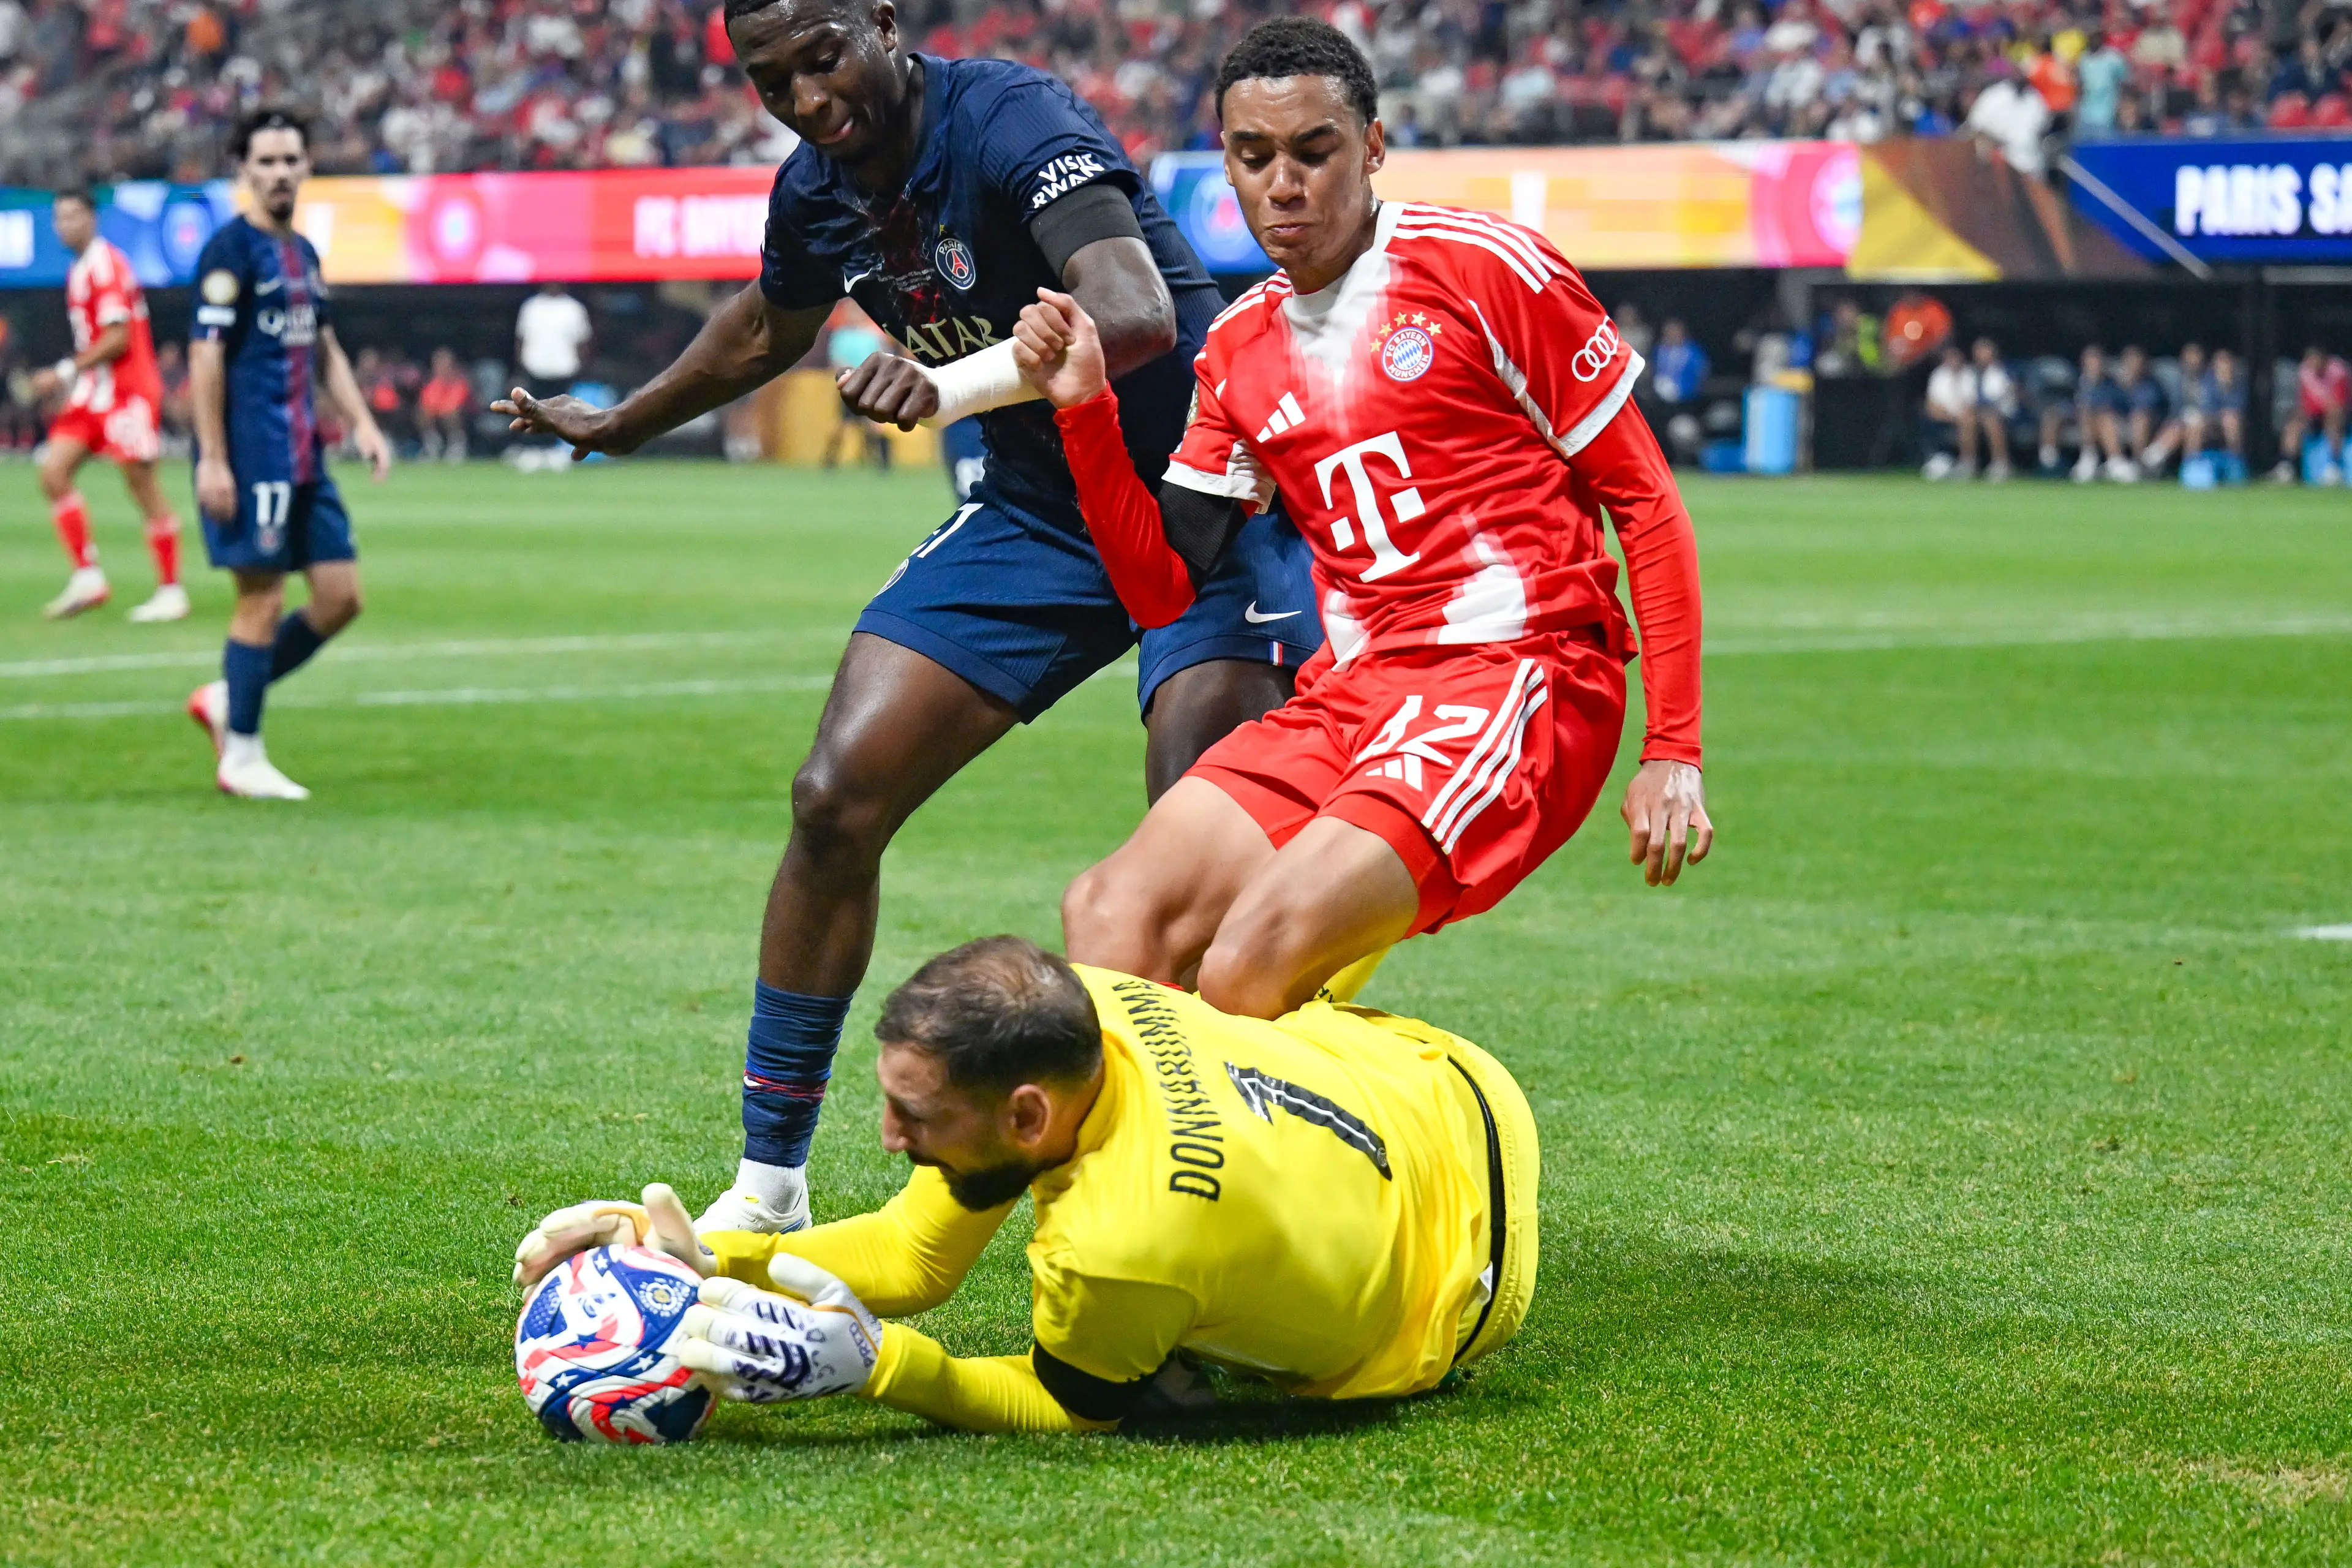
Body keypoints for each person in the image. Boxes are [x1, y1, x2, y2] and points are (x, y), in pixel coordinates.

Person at [496, 0, 1322, 1239]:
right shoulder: (815, 191)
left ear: (882, 22)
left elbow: (1137, 310)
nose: (809, 97)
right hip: (1042, 518)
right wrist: (618, 423)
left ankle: (1227, 1201)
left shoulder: (1008, 119)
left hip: (1206, 502)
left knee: (1189, 883)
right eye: (775, 81)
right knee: (836, 794)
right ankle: (768, 1187)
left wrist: (944, 387)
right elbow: (767, 324)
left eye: (824, 56)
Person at [1022, 18, 1709, 1021]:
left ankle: (1399, 1151)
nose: (1283, 184)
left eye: (1315, 150)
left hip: (1520, 673)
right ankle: (1149, 1181)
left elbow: (1645, 502)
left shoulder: (1488, 270)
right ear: (1228, 163)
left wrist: (1673, 751)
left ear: (1374, 146)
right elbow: (1160, 587)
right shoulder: (1240, 347)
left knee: (1246, 963)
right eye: (1254, 157)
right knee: (1111, 914)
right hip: (1357, 694)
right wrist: (1086, 406)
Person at [513, 935, 1537, 1433]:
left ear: (1028, 1117)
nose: (886, 1137)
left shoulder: (1120, 1248)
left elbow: (1066, 1405)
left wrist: (882, 1368)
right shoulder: (1082, 1007)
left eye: (916, 1118)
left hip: (1455, 1296)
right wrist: (702, 1261)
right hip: (1438, 1076)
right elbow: (914, 1254)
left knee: (1154, 1369)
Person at [183, 108, 392, 801]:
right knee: (262, 598)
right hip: (250, 455)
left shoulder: (302, 252)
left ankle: (227, 695)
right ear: (244, 170)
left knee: (340, 597)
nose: (279, 172)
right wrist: (213, 458)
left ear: (307, 167)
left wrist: (361, 422)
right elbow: (206, 357)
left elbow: (323, 346)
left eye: (289, 160)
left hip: (306, 454)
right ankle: (241, 754)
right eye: (265, 161)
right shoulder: (228, 251)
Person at [32, 187, 187, 623]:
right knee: (53, 473)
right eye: (60, 218)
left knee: (143, 487)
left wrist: (64, 372)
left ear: (92, 219)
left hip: (127, 391)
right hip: (92, 394)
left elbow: (118, 338)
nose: (66, 226)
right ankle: (88, 577)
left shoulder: (107, 266)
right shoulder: (80, 269)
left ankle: (171, 589)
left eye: (74, 217)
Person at [2275, 345, 2348, 484]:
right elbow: (2306, 403)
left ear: (2323, 359)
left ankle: (2334, 466)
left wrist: (2326, 405)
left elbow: (2340, 402)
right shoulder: (2306, 372)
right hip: (2314, 415)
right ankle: (2287, 466)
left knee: (2334, 418)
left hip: (2336, 415)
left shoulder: (2338, 371)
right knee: (2294, 424)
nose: (2313, 365)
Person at [2183, 345, 2246, 469]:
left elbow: (2239, 407)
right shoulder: (2207, 381)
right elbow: (2206, 407)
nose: (2224, 366)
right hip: (2210, 420)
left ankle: (2236, 464)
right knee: (2196, 424)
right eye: (2221, 362)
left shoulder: (2239, 383)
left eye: (2227, 362)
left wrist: (2227, 387)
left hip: (2230, 422)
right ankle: (2189, 466)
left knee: (2231, 420)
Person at [2109, 345, 2165, 478]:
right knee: (2105, 417)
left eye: (2136, 362)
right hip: (2120, 423)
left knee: (2139, 418)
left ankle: (2138, 464)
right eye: (2129, 362)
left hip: (2151, 425)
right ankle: (2117, 463)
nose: (2133, 365)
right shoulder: (2115, 384)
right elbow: (2108, 404)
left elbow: (2145, 408)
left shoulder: (2151, 385)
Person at [416, 347, 472, 462]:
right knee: (421, 413)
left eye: (445, 364)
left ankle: (457, 446)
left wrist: (438, 409)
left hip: (466, 418)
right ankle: (432, 446)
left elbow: (454, 405)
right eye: (438, 364)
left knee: (452, 414)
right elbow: (428, 404)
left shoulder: (460, 382)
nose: (441, 368)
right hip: (439, 418)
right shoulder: (432, 383)